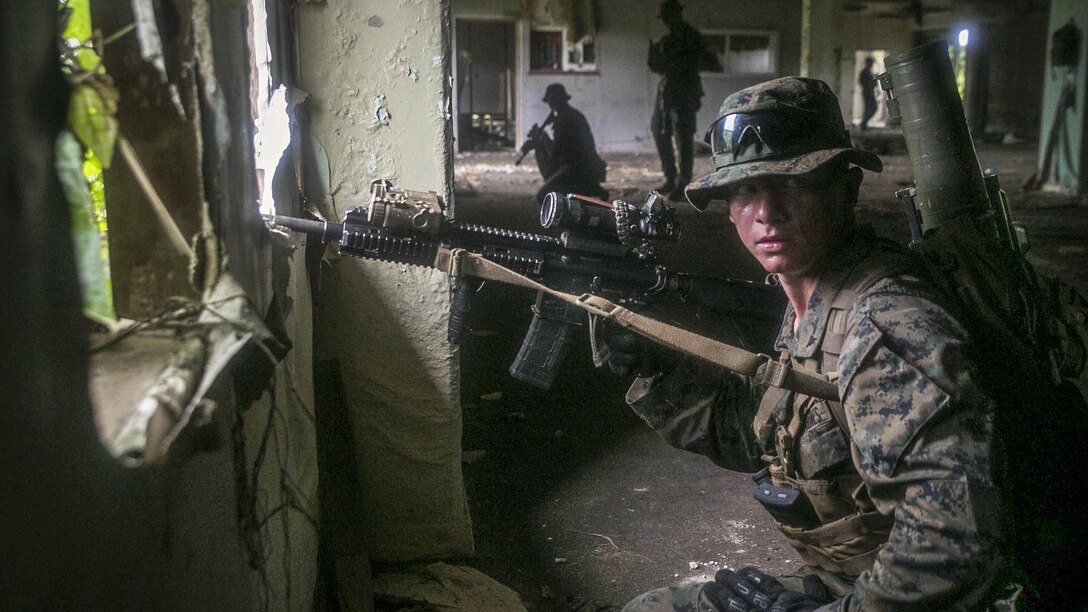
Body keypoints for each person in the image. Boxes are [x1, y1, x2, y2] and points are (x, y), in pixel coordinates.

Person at [603, 77, 1030, 611]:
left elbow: (952, 541)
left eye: (792, 183)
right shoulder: (816, 295)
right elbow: (767, 439)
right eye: (744, 190)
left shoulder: (887, 326)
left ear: (844, 189)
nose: (767, 212)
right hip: (854, 581)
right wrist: (655, 367)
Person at [648, 0, 708, 202]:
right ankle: (670, 177)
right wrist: (654, 57)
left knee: (683, 138)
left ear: (677, 14)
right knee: (659, 130)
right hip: (666, 92)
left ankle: (683, 182)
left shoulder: (691, 36)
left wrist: (666, 61)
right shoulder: (668, 39)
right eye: (663, 17)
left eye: (667, 16)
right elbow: (659, 68)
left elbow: (688, 64)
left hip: (683, 92)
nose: (665, 20)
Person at [525, 83, 609, 204]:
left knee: (543, 196)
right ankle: (589, 189)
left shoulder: (565, 119)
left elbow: (557, 150)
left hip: (575, 168)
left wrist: (543, 139)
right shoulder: (571, 115)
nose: (550, 105)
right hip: (577, 166)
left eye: (551, 101)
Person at [858, 56, 878, 130]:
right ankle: (864, 124)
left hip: (869, 92)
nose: (872, 64)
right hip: (867, 92)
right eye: (871, 62)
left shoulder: (868, 71)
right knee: (871, 108)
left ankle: (864, 124)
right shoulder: (865, 72)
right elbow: (862, 82)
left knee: (870, 108)